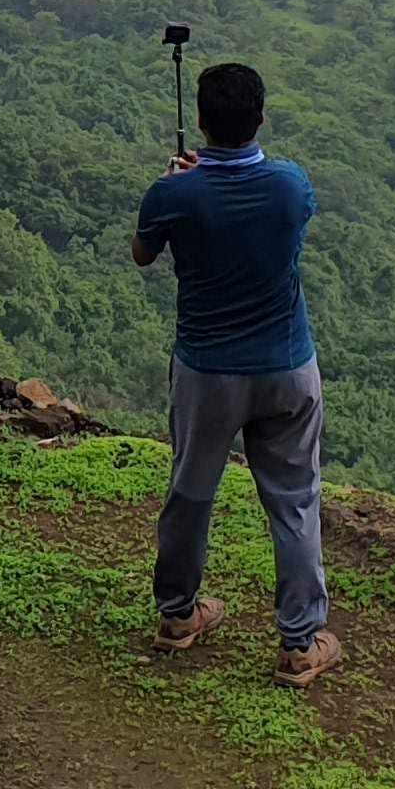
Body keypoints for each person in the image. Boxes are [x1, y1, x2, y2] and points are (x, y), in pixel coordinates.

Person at [129, 60, 335, 684]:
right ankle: (300, 646)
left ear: (200, 122)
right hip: (286, 368)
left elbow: (142, 255)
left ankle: (179, 617)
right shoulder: (290, 187)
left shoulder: (175, 194)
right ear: (260, 119)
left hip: (207, 372)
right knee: (295, 502)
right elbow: (280, 221)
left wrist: (176, 185)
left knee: (190, 495)